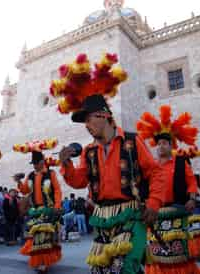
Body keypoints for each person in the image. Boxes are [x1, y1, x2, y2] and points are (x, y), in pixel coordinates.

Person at [56, 53, 164, 274]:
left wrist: (153, 203)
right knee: (103, 270)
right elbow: (79, 181)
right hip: (102, 218)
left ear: (104, 116)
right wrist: (66, 164)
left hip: (131, 216)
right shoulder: (89, 151)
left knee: (125, 268)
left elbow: (155, 173)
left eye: (89, 119)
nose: (86, 125)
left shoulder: (132, 142)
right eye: (84, 121)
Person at [136, 105, 200, 274]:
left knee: (178, 251)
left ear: (170, 145)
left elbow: (191, 182)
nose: (161, 146)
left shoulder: (181, 162)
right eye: (158, 144)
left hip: (177, 210)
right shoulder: (151, 165)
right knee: (156, 252)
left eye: (164, 143)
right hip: (155, 213)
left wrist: (192, 198)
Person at [14, 138, 62, 274]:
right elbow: (24, 190)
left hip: (48, 209)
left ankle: (44, 263)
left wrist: (57, 206)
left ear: (42, 162)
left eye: (37, 163)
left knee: (44, 237)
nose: (35, 166)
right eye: (33, 164)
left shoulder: (50, 174)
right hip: (34, 211)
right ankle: (41, 260)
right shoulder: (30, 175)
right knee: (36, 237)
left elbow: (57, 190)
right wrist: (18, 182)